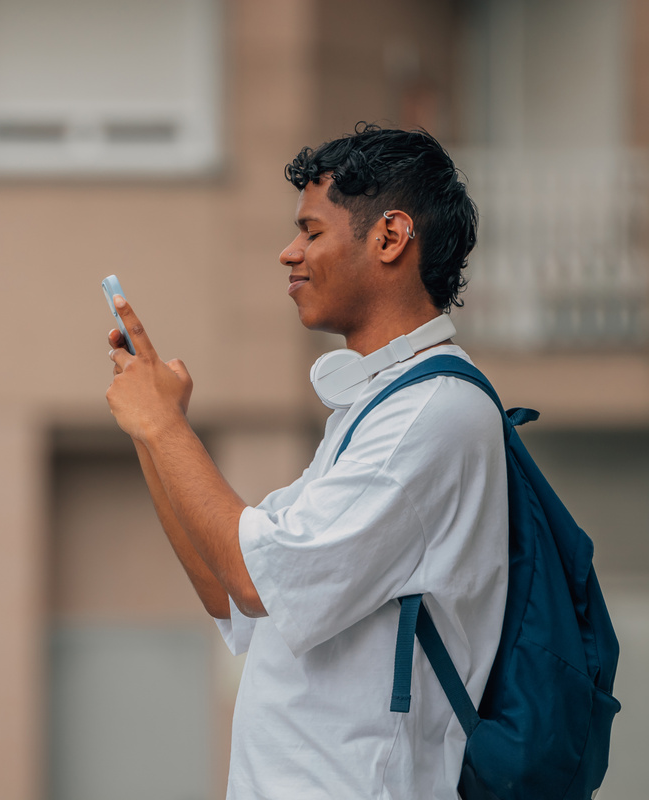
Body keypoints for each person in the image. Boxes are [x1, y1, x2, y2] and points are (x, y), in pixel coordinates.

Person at [104, 124, 508, 799]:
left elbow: (258, 579)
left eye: (312, 232)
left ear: (389, 237)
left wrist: (164, 424)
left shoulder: (429, 413)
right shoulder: (383, 404)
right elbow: (231, 590)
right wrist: (151, 432)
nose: (288, 253)